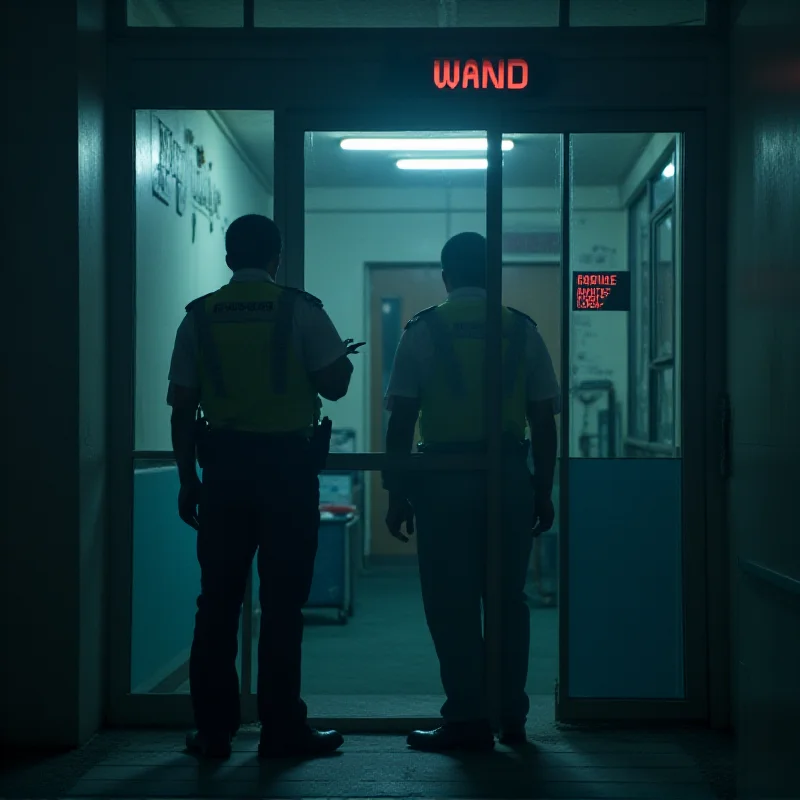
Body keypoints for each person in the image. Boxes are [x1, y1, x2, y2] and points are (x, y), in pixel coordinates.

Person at [167, 214, 360, 760]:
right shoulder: (300, 309)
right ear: (276, 257)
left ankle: (212, 732)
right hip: (286, 473)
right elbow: (337, 386)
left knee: (218, 604)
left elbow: (182, 408)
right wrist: (336, 358)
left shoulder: (198, 317)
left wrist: (188, 482)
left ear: (230, 258)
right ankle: (281, 731)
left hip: (223, 474)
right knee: (282, 607)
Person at [382, 232, 559, 752]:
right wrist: (541, 489)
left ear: (446, 276)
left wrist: (397, 493)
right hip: (507, 477)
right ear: (492, 273)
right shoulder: (521, 330)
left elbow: (401, 422)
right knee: (508, 600)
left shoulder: (422, 330)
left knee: (450, 602)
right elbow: (543, 420)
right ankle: (511, 717)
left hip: (442, 480)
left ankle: (466, 720)